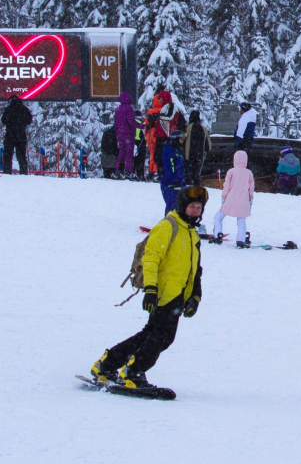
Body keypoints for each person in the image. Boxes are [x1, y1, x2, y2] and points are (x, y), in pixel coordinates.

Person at [89, 184, 207, 390]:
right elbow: (150, 259)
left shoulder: (191, 233)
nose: (195, 211)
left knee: (151, 334)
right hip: (163, 293)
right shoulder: (168, 226)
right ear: (182, 206)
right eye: (192, 206)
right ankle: (133, 371)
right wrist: (151, 290)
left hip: (178, 295)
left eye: (198, 207)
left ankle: (107, 365)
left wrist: (195, 296)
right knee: (161, 336)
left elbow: (195, 269)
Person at [214, 149, 255, 246]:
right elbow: (251, 188)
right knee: (241, 221)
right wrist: (250, 199)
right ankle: (240, 240)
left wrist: (223, 197)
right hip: (243, 201)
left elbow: (226, 186)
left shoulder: (231, 171)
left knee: (218, 217)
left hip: (230, 199)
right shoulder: (249, 173)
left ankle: (218, 235)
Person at [0, 95, 31, 174]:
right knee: (21, 156)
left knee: (8, 155)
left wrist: (11, 122)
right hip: (21, 135)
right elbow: (29, 120)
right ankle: (23, 172)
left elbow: (3, 120)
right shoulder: (24, 109)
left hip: (10, 135)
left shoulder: (8, 109)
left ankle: (7, 172)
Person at [158, 135, 187, 214]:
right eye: (181, 140)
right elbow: (170, 166)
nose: (182, 142)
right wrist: (174, 180)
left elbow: (180, 168)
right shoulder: (169, 150)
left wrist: (183, 181)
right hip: (169, 183)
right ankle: (168, 223)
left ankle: (178, 223)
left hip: (178, 183)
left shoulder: (177, 151)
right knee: (172, 203)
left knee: (181, 205)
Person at [113, 92, 138, 178]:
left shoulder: (118, 109)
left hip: (120, 134)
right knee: (129, 153)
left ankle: (118, 169)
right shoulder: (129, 109)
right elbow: (131, 122)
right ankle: (128, 171)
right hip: (128, 134)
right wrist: (141, 126)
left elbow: (115, 123)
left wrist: (117, 133)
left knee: (121, 152)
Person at [183, 110, 211, 186]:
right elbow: (208, 144)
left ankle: (188, 186)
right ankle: (196, 187)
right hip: (200, 155)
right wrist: (206, 150)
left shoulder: (188, 128)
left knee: (189, 173)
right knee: (197, 174)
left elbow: (183, 140)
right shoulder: (204, 129)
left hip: (189, 154)